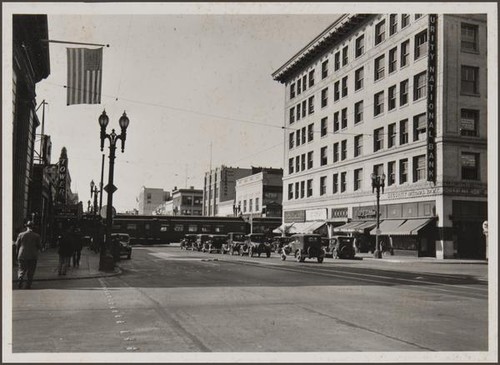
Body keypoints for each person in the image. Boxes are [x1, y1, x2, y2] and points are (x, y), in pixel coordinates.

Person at [15, 221, 42, 289]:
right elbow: (39, 246)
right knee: (31, 271)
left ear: (26, 226)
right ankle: (28, 285)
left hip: (22, 255)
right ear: (33, 227)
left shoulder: (21, 234)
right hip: (32, 255)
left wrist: (17, 253)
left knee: (21, 269)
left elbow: (17, 245)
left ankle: (20, 279)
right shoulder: (37, 236)